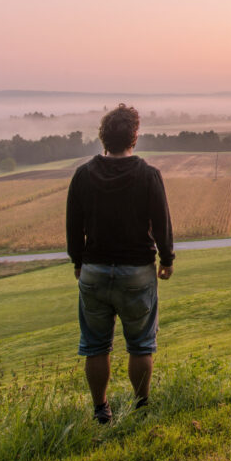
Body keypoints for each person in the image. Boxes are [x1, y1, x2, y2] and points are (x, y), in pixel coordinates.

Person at [66, 104, 174, 424]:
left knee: (96, 346)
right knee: (141, 345)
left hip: (94, 271)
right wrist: (166, 260)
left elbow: (74, 226)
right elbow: (162, 223)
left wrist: (78, 263)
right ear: (134, 137)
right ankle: (141, 407)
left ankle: (101, 410)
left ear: (103, 137)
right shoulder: (149, 175)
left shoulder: (83, 174)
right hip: (137, 272)